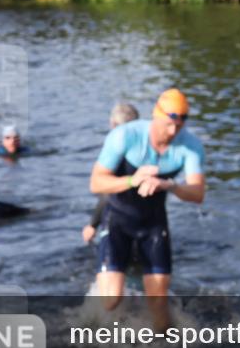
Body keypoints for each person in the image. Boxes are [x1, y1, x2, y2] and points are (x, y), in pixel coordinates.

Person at [88, 89, 205, 326]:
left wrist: (169, 185)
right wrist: (133, 180)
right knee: (111, 300)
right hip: (118, 219)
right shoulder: (126, 135)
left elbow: (197, 193)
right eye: (168, 125)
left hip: (153, 223)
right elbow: (96, 183)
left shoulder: (191, 146)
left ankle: (165, 345)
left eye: (178, 127)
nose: (172, 132)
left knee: (159, 302)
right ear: (155, 116)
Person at [82, 102, 140, 243]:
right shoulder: (146, 150)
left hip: (118, 217)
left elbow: (108, 193)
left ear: (113, 124)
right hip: (145, 217)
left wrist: (92, 225)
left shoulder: (115, 153)